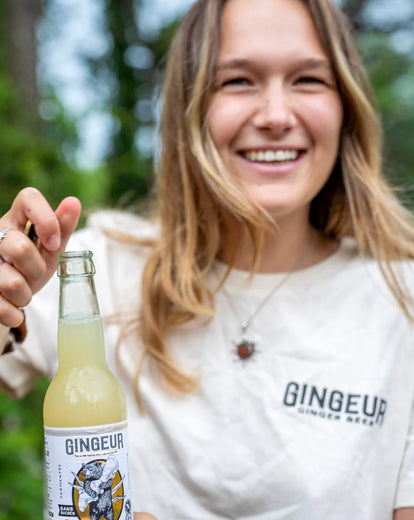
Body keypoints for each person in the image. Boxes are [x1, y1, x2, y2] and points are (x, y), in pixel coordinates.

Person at [0, 0, 414, 518]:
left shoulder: (402, 299)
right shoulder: (94, 268)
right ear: (189, 106)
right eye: (239, 81)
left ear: (347, 105)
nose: (276, 116)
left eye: (309, 80)